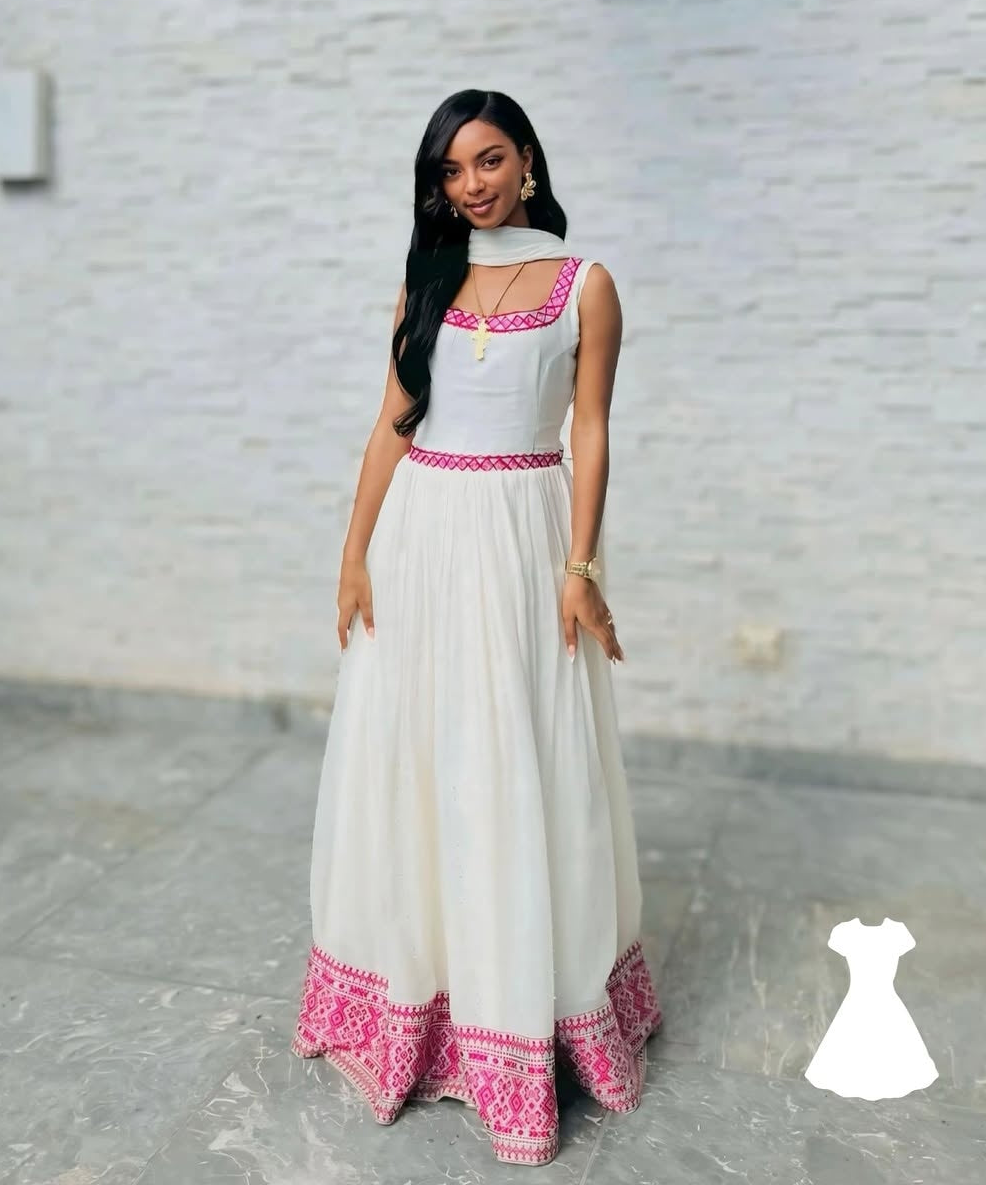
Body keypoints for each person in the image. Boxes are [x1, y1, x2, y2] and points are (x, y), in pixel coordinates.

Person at [291, 88, 662, 1167]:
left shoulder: (584, 287)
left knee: (516, 760)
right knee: (414, 759)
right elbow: (395, 418)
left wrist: (581, 566)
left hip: (521, 536)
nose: (472, 185)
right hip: (423, 537)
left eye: (490, 161)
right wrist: (354, 552)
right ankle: (420, 996)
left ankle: (523, 1008)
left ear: (529, 162)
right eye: (452, 172)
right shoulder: (429, 278)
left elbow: (589, 431)